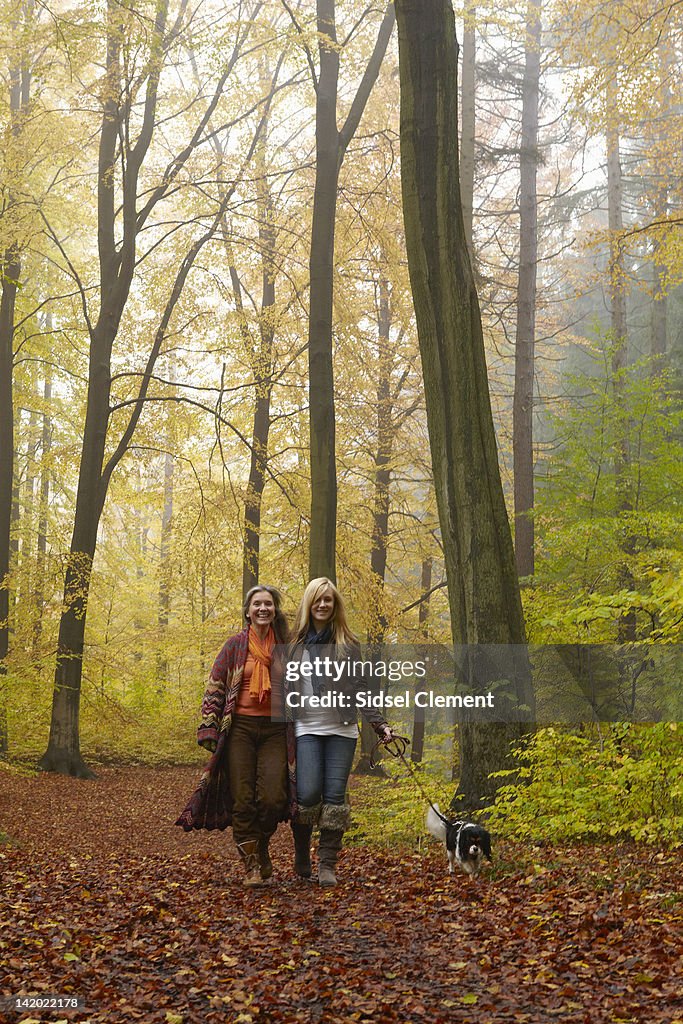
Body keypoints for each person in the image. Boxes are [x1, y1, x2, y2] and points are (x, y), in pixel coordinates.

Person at [175, 585, 295, 888]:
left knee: (272, 797)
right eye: (257, 604)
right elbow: (215, 684)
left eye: (268, 604)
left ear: (275, 610)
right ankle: (252, 864)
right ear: (248, 610)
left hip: (275, 730)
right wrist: (209, 727)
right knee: (242, 800)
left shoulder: (287, 646)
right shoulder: (234, 646)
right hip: (239, 728)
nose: (263, 609)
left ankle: (261, 845)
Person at [288, 577, 393, 887]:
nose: (323, 604)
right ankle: (301, 853)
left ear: (335, 606)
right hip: (306, 728)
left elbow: (360, 688)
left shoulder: (348, 643)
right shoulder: (294, 643)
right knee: (306, 794)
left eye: (328, 600)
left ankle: (327, 864)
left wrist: (380, 723)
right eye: (317, 599)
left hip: (341, 731)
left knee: (335, 798)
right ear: (309, 603)